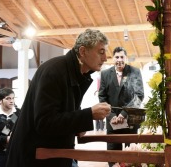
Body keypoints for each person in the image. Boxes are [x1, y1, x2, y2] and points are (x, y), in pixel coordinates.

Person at [6, 29, 112, 167]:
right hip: (34, 158)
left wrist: (78, 126)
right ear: (83, 51)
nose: (105, 58)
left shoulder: (75, 73)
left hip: (51, 156)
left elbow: (62, 113)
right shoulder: (55, 71)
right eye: (101, 52)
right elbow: (45, 122)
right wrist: (88, 114)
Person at [98, 47, 144, 167]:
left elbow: (139, 95)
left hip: (130, 120)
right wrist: (112, 116)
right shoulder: (105, 74)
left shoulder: (135, 72)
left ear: (126, 58)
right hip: (112, 122)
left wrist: (123, 114)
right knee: (113, 157)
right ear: (113, 58)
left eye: (122, 57)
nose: (119, 59)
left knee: (132, 158)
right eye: (117, 57)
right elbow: (102, 97)